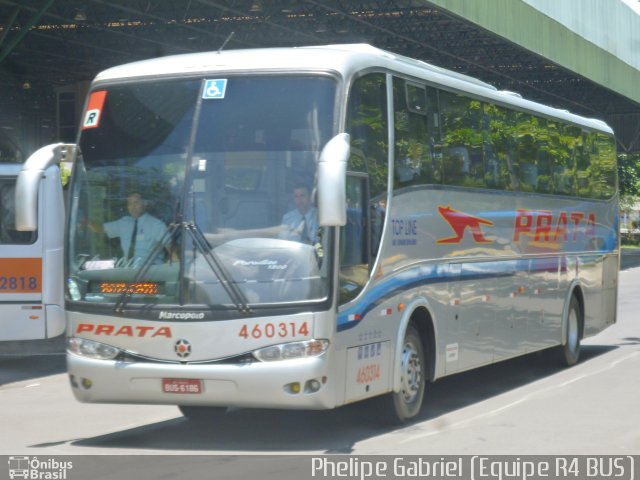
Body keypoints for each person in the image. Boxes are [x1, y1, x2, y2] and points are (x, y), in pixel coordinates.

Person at [90, 192, 168, 263]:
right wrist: (85, 222)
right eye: (129, 204)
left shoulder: (157, 225)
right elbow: (100, 228)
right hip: (127, 274)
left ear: (145, 204)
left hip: (151, 275)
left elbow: (173, 253)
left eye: (136, 203)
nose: (132, 207)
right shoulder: (124, 223)